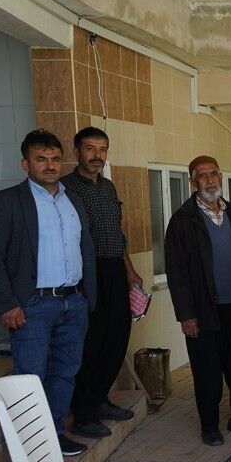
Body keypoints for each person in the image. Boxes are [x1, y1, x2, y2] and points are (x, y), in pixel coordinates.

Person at [0, 130, 96, 456]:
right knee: (30, 377)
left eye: (55, 159)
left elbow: (84, 249)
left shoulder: (73, 200)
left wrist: (88, 297)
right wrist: (6, 303)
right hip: (32, 305)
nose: (50, 165)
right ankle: (28, 450)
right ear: (25, 164)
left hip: (73, 301)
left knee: (65, 373)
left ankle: (53, 435)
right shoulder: (6, 202)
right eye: (41, 159)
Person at [165, 155, 231, 446]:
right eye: (202, 175)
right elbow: (176, 272)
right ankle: (209, 426)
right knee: (207, 373)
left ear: (220, 177)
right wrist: (186, 314)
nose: (210, 180)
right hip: (204, 310)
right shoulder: (183, 220)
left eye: (214, 174)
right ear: (192, 181)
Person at [60, 127, 138, 440]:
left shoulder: (108, 187)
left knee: (117, 336)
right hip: (86, 272)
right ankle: (83, 414)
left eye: (102, 149)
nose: (97, 155)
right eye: (90, 148)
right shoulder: (65, 188)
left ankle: (100, 398)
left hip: (114, 269)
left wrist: (129, 270)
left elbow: (118, 234)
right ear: (77, 151)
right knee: (90, 342)